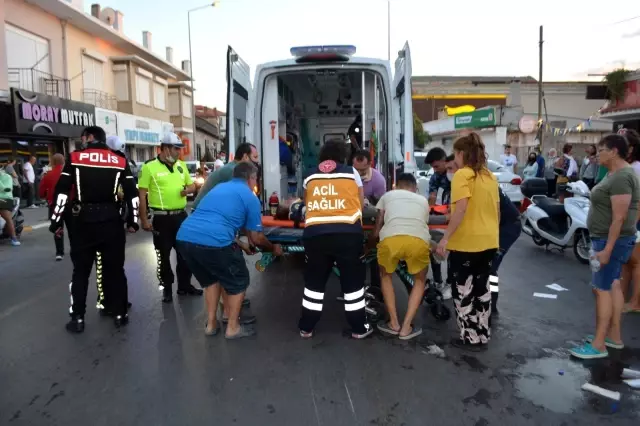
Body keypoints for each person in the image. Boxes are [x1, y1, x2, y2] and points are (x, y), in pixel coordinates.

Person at [177, 162, 283, 339]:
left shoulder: (218, 189)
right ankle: (232, 327)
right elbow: (256, 237)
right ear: (251, 178)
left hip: (185, 238)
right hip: (214, 242)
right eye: (255, 179)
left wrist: (242, 245)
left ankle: (211, 325)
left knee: (212, 279)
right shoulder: (250, 197)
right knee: (238, 279)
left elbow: (220, 223)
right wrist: (273, 248)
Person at [50, 126, 139, 332]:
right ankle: (120, 314)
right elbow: (132, 194)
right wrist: (133, 221)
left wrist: (56, 222)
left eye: (83, 138)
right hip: (112, 221)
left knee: (80, 272)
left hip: (83, 222)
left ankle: (78, 319)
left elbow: (62, 192)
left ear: (90, 137)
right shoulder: (119, 161)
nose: (82, 141)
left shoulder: (75, 158)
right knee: (116, 270)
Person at [570, 134, 639, 359]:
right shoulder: (616, 174)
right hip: (609, 239)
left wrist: (607, 249)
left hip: (610, 241)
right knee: (613, 285)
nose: (597, 155)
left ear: (614, 151)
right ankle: (613, 337)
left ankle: (598, 344)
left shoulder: (622, 176)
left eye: (601, 150)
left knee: (602, 289)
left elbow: (619, 217)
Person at [298, 139, 371, 339]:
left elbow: (307, 202)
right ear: (342, 156)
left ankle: (306, 327)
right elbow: (361, 202)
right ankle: (359, 328)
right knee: (353, 285)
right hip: (348, 235)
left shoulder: (310, 176)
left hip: (316, 236)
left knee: (314, 285)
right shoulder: (351, 173)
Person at [436, 132, 499, 351]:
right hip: (489, 242)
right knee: (482, 290)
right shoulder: (490, 176)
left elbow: (461, 208)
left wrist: (445, 238)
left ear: (462, 153)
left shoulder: (463, 175)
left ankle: (470, 338)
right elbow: (497, 211)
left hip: (466, 244)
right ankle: (483, 334)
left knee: (463, 290)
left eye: (456, 154)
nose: (455, 159)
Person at [446, 154, 521, 317]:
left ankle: (491, 305)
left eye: (452, 168)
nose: (450, 172)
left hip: (507, 226)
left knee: (490, 267)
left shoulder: (479, 181)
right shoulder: (470, 180)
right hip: (494, 226)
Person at [138, 133, 201, 303]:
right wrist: (143, 219)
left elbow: (192, 185)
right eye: (175, 149)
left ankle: (184, 286)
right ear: (165, 148)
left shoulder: (181, 165)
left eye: (179, 149)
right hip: (161, 219)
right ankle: (167, 289)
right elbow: (142, 195)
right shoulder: (149, 167)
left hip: (181, 216)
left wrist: (187, 190)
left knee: (185, 253)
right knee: (163, 256)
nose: (178, 153)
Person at [372, 173, 430, 340]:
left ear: (395, 186)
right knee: (419, 280)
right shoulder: (423, 200)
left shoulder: (387, 195)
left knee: (385, 276)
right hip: (418, 240)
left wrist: (370, 241)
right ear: (415, 188)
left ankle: (394, 323)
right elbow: (422, 222)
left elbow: (378, 225)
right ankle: (406, 328)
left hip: (391, 239)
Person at [193, 143, 259, 209]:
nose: (257, 161)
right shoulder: (233, 171)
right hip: (203, 212)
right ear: (245, 157)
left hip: (206, 210)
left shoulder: (232, 168)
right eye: (255, 157)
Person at [425, 147, 452, 299]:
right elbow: (432, 196)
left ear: (444, 159)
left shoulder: (455, 174)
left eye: (436, 166)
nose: (435, 170)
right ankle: (437, 282)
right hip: (443, 215)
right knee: (433, 247)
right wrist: (429, 210)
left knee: (452, 250)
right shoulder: (435, 177)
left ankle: (450, 282)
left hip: (455, 215)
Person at [620, 129, 640, 313]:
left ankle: (635, 303)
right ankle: (623, 297)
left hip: (635, 222)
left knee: (636, 262)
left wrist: (633, 224)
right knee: (627, 261)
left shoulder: (636, 169)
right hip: (629, 221)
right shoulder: (628, 168)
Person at [39, 154, 70, 260]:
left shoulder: (48, 175)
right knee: (72, 229)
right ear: (63, 161)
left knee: (58, 228)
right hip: (69, 204)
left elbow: (41, 193)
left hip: (55, 205)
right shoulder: (70, 173)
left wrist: (47, 196)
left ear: (52, 162)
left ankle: (59, 253)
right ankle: (75, 249)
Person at [0, 167, 20, 246]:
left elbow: (5, 189)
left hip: (5, 199)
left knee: (7, 218)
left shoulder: (7, 177)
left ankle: (14, 238)